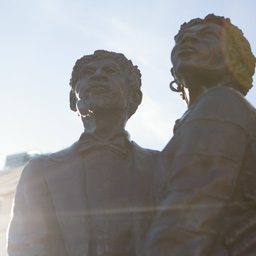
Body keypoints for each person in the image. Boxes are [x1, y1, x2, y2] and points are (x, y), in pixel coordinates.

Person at [7, 50, 163, 256]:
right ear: (73, 100)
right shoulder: (40, 171)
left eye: (110, 70)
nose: (98, 75)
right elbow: (26, 246)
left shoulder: (164, 165)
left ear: (134, 96)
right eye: (88, 73)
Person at [146, 14, 256, 256]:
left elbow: (188, 217)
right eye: (183, 38)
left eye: (206, 36)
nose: (188, 41)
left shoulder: (221, 103)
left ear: (235, 62)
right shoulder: (207, 114)